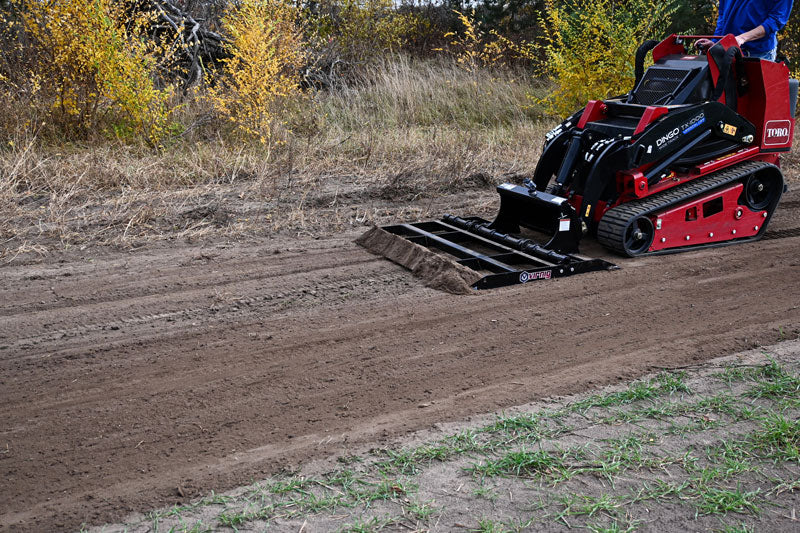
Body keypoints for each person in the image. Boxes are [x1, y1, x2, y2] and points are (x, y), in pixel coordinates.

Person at [696, 0, 794, 61]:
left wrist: (742, 38)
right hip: (726, 50)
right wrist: (715, 43)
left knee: (755, 94)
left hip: (758, 54)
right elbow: (723, 14)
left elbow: (775, 21)